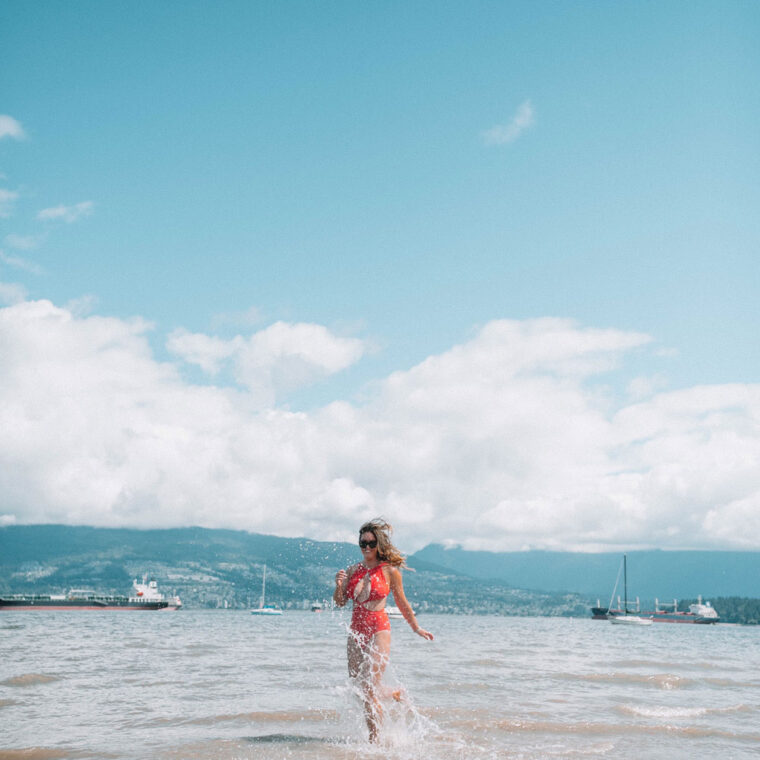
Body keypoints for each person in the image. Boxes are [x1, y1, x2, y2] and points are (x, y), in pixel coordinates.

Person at [333, 518, 434, 742]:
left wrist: (416, 628)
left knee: (369, 689)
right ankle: (394, 693)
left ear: (378, 544)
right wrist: (338, 585)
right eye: (363, 543)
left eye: (370, 543)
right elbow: (340, 602)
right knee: (359, 687)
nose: (366, 548)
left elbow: (402, 602)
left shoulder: (389, 571)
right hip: (355, 632)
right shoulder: (352, 570)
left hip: (379, 628)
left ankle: (374, 742)